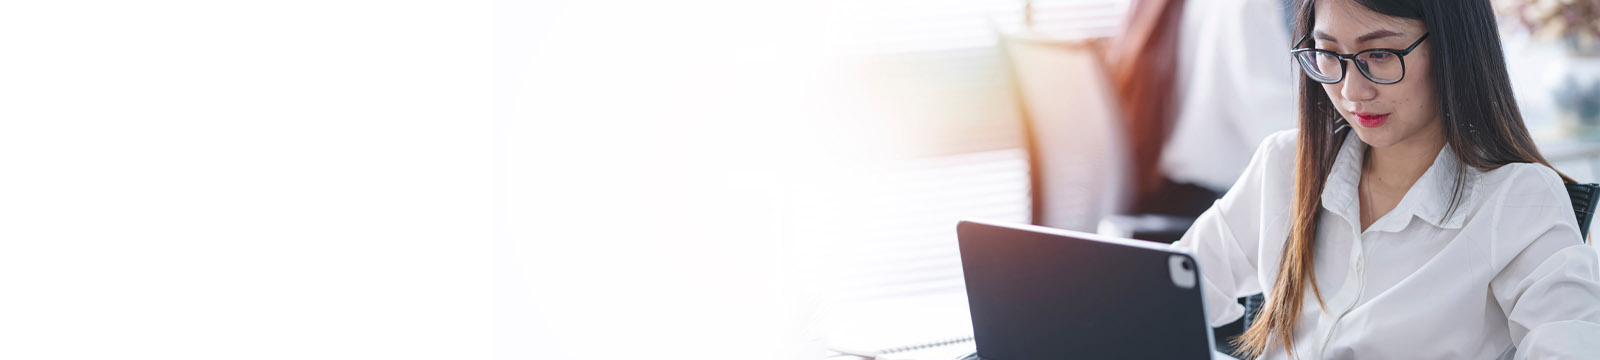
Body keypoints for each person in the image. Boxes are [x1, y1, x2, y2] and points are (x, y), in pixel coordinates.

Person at [1168, 0, 1600, 358]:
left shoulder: (1519, 201)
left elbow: (1569, 343)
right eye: (1329, 54)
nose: (1353, 91)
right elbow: (1160, 298)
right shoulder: (1284, 165)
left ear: (1453, 48)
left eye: (1380, 55)